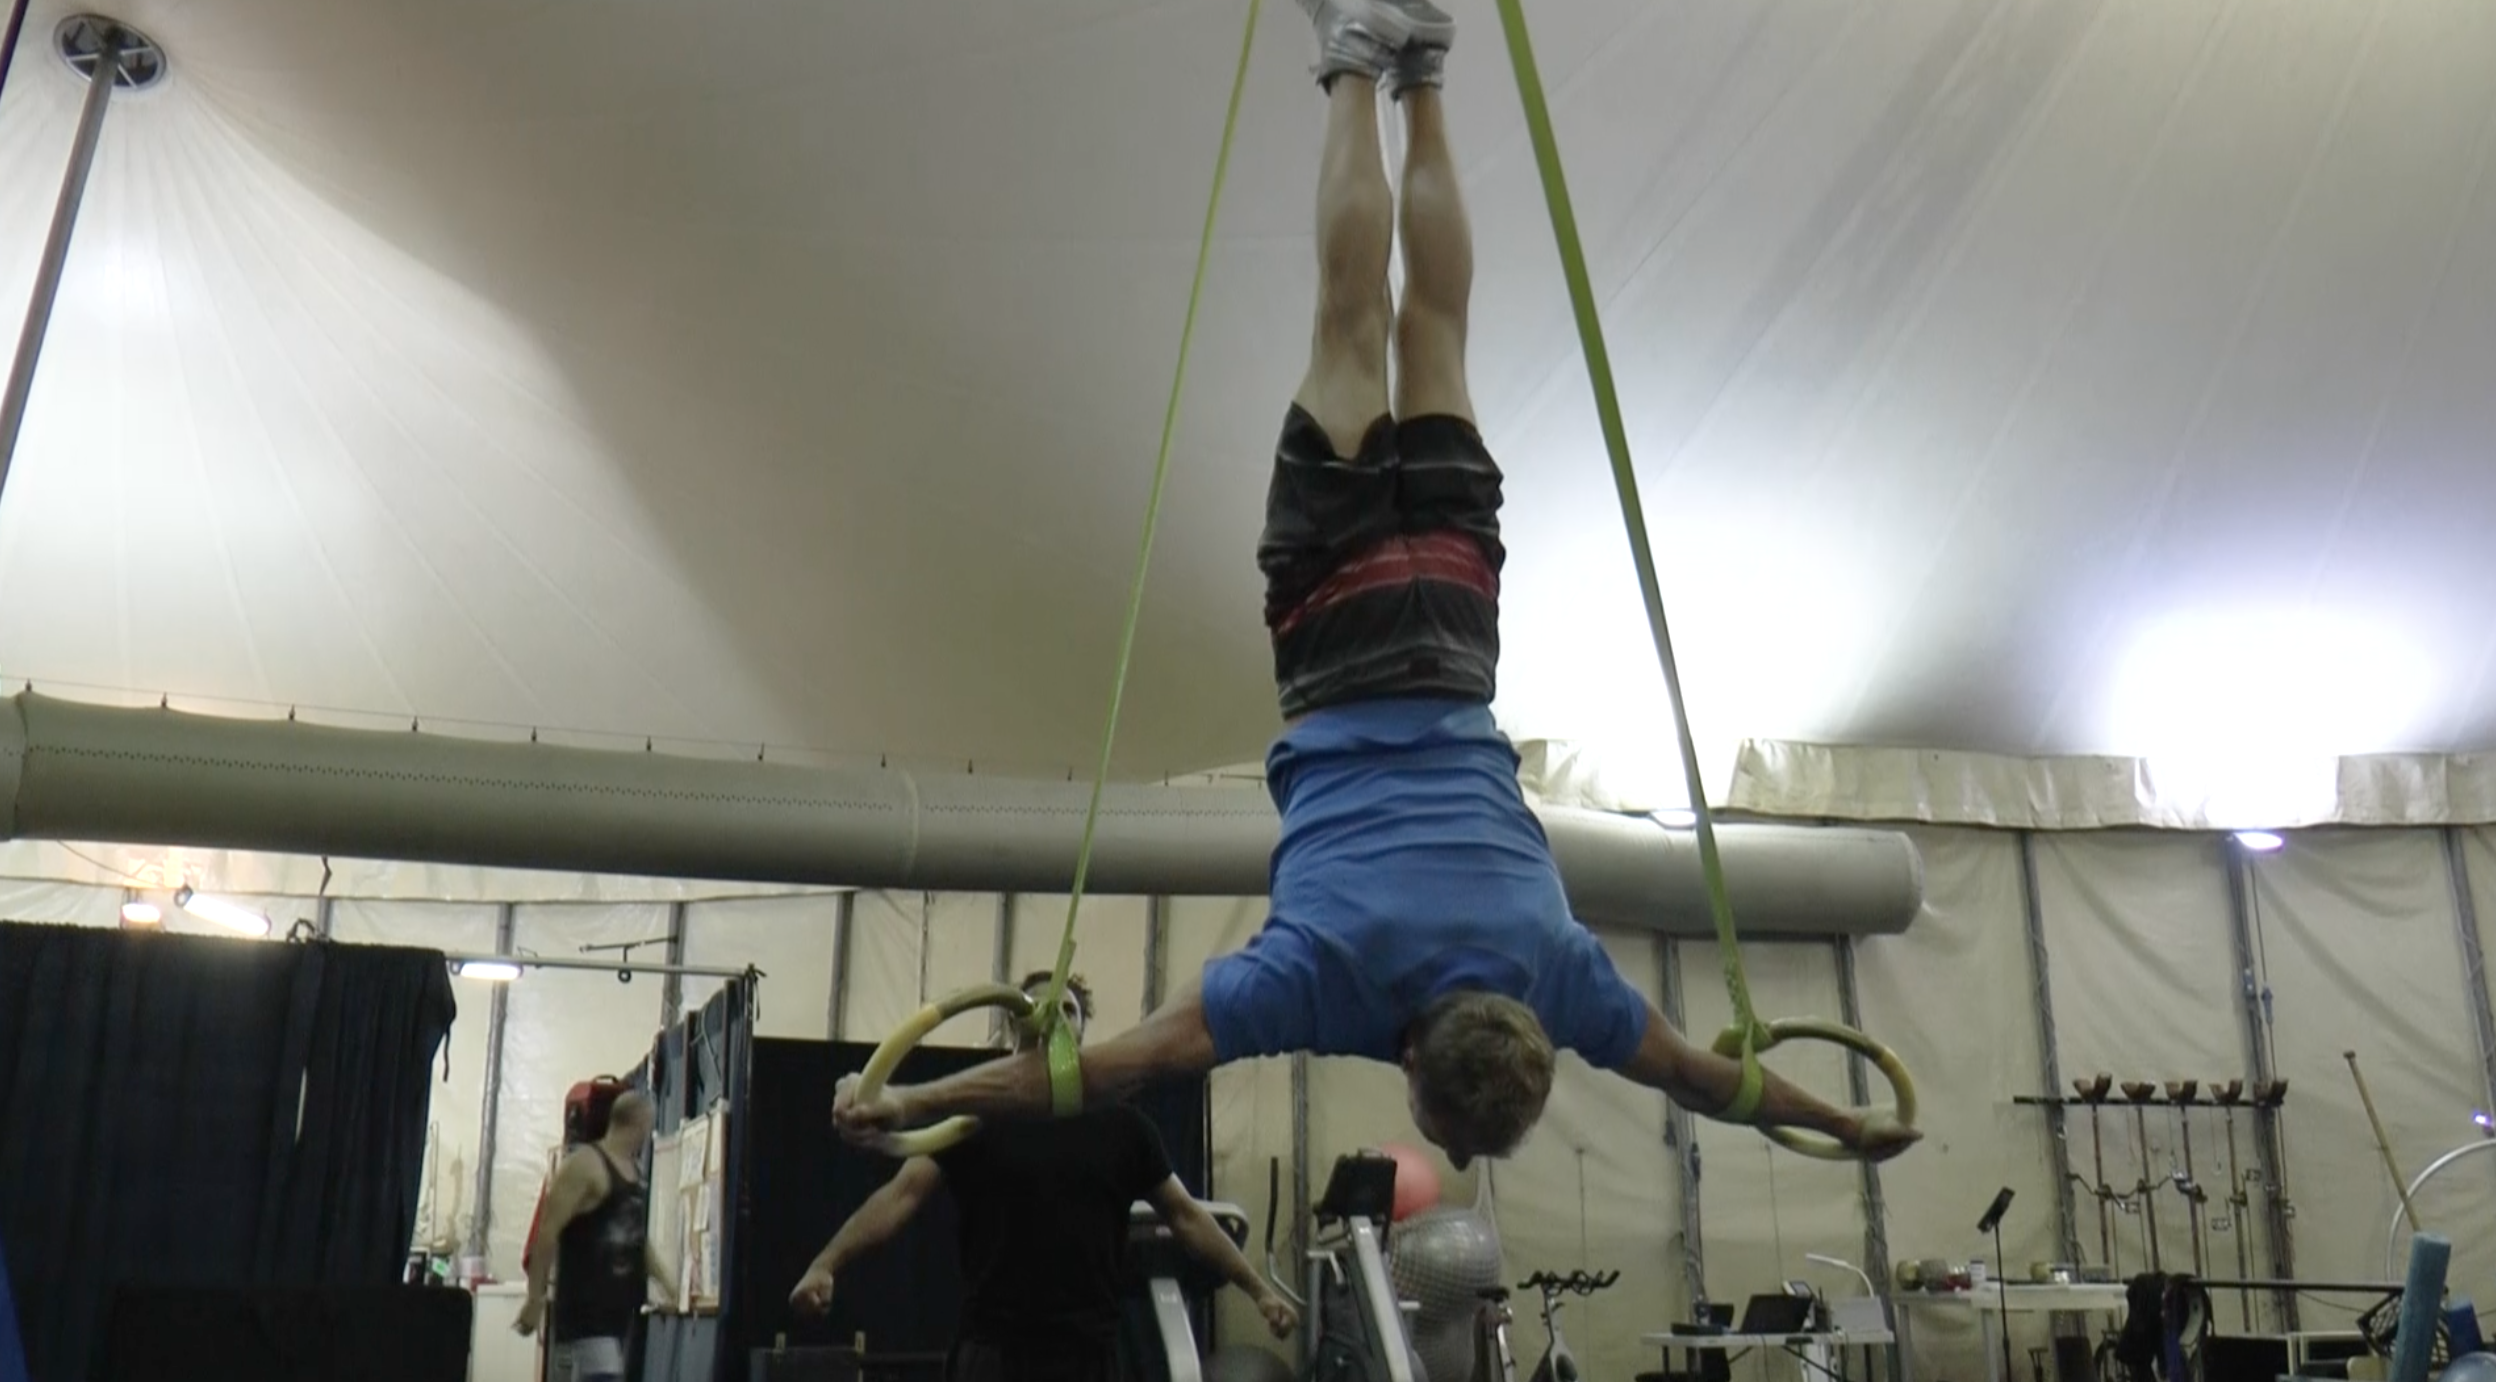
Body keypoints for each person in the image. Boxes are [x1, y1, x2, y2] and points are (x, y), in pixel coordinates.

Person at [837, 0, 1923, 1170]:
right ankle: (1354, 58)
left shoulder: (1559, 980)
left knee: (1437, 329)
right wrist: (904, 1105)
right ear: (1412, 1073)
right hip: (1338, 642)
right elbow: (1104, 1066)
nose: (1445, 1157)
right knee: (1350, 324)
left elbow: (1714, 1077)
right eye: (1449, 1133)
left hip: (1457, 640)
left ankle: (1425, 76)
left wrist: (1850, 1120)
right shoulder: (1316, 987)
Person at [794, 973, 1295, 1382]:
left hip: (1087, 1355)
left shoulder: (1125, 1126)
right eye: (1034, 1003)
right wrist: (826, 1262)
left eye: (1068, 1008)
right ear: (1015, 1023)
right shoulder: (972, 1119)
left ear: (1081, 1031)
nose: (1051, 1013)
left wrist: (1258, 1289)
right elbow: (900, 1196)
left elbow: (1186, 1216)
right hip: (992, 1352)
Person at [516, 1090, 680, 1382]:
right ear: (637, 1124)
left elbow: (636, 1240)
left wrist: (667, 1282)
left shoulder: (634, 1173)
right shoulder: (585, 1165)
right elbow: (547, 1231)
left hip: (618, 1309)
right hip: (586, 1309)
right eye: (647, 1126)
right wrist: (535, 1297)